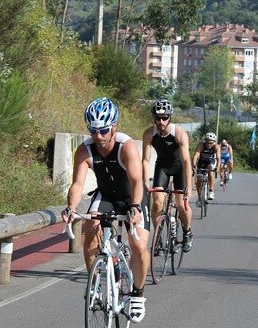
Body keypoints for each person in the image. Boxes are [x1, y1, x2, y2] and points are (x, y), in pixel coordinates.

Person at [61, 97, 150, 323]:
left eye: (103, 130)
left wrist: (136, 207)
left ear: (114, 127)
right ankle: (96, 285)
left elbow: (138, 182)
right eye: (93, 130)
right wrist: (71, 207)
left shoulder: (126, 146)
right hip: (106, 196)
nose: (98, 136)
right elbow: (77, 185)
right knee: (90, 228)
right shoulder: (85, 150)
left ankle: (138, 293)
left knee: (138, 244)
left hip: (133, 196)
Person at [142, 99, 194, 252]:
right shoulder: (149, 133)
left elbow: (186, 161)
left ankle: (187, 231)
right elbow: (145, 159)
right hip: (162, 167)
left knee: (181, 205)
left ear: (170, 117)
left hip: (179, 168)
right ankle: (157, 238)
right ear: (154, 118)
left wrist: (189, 188)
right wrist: (145, 182)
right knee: (157, 201)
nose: (161, 121)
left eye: (164, 117)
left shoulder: (178, 133)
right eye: (158, 118)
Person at [192, 132, 221, 201]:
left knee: (210, 170)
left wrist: (218, 167)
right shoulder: (201, 145)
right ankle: (199, 197)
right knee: (198, 179)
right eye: (207, 142)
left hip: (211, 161)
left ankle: (211, 191)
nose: (209, 144)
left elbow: (218, 158)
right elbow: (196, 156)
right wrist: (193, 164)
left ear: (214, 142)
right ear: (205, 141)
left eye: (211, 143)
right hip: (202, 162)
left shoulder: (216, 147)